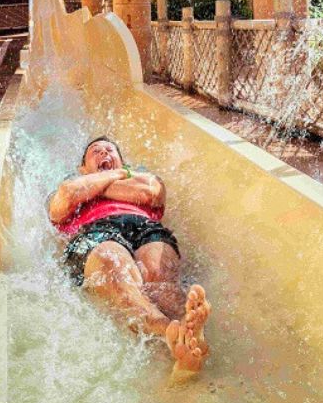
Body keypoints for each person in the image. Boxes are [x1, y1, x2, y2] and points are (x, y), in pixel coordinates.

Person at [48, 137, 211, 376]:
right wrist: (118, 177)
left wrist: (92, 188)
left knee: (159, 273)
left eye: (110, 150)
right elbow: (67, 196)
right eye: (96, 151)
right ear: (82, 169)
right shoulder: (71, 184)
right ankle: (168, 330)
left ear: (124, 163)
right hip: (96, 231)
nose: (104, 153)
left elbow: (151, 191)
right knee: (112, 264)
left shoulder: (142, 178)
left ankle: (191, 337)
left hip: (145, 227)